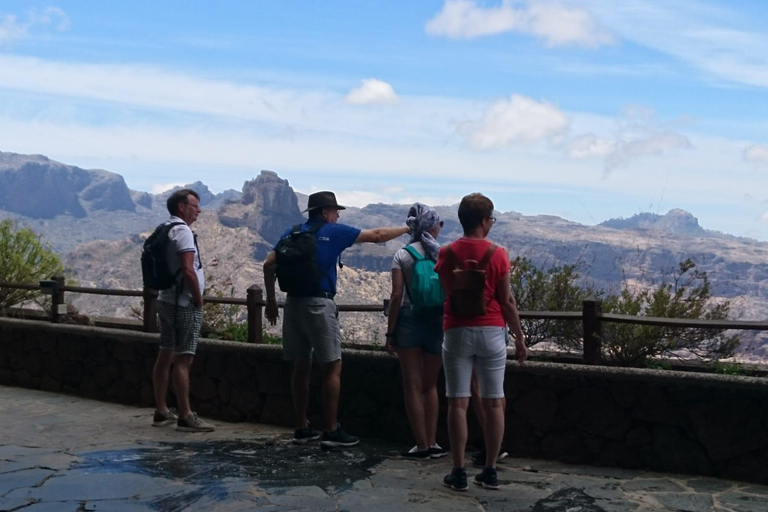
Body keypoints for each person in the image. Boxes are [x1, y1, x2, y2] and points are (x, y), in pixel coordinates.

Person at [263, 191, 410, 448]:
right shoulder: (334, 232)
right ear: (325, 213)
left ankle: (301, 427)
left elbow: (268, 263)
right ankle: (331, 430)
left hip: (293, 304)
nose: (338, 215)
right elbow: (377, 236)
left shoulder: (291, 232)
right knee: (332, 367)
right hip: (319, 305)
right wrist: (407, 228)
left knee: (300, 368)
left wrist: (272, 302)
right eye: (335, 211)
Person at [434, 193, 526, 491]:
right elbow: (507, 300)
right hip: (491, 331)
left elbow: (448, 290)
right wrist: (520, 337)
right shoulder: (498, 253)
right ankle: (490, 469)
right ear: (485, 221)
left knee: (457, 402)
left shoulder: (447, 252)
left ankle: (458, 471)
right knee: (493, 401)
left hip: (457, 330)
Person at [384, 203, 448, 460]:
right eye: (439, 223)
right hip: (437, 320)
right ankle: (433, 443)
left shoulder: (403, 254)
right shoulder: (443, 254)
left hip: (409, 320)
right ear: (432, 226)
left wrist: (390, 333)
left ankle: (420, 445)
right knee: (431, 385)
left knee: (412, 384)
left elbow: (397, 295)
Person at [152, 189, 215, 432]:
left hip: (166, 300)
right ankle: (186, 415)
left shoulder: (165, 228)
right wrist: (198, 299)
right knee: (184, 358)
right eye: (194, 205)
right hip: (183, 303)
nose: (198, 210)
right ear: (181, 207)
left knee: (165, 353)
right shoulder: (183, 232)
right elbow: (189, 271)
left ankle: (161, 410)